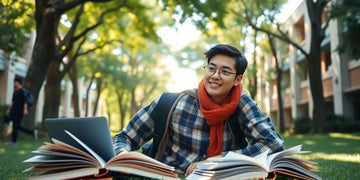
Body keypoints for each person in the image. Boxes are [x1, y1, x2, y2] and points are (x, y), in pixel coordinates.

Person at [113, 44, 284, 176]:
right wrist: (124, 156)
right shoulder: (172, 103)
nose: (215, 75)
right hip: (167, 175)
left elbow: (273, 144)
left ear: (237, 80)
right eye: (211, 68)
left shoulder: (242, 104)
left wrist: (218, 161)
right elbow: (125, 137)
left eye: (225, 71)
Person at [6, 77, 37, 145]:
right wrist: (8, 110)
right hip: (14, 111)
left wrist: (25, 109)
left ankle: (14, 141)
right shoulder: (15, 92)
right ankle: (32, 132)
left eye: (15, 82)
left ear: (18, 82)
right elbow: (12, 102)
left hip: (19, 111)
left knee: (15, 126)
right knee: (17, 126)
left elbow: (25, 101)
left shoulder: (22, 91)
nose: (14, 84)